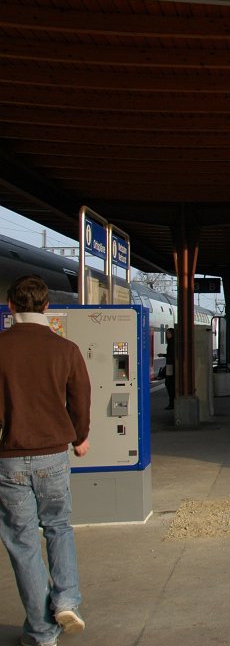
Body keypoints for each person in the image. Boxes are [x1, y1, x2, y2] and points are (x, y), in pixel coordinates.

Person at [0, 274, 91, 646]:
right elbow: (81, 400)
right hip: (54, 454)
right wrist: (80, 437)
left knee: (22, 542)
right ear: (46, 307)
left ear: (10, 306)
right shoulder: (65, 349)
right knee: (58, 527)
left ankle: (41, 632)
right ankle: (66, 599)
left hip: (9, 457)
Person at [163, 327, 175, 410]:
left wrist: (165, 356)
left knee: (169, 384)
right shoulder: (170, 343)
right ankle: (171, 402)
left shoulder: (172, 343)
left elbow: (172, 355)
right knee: (169, 384)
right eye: (167, 333)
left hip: (171, 366)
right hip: (170, 365)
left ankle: (172, 403)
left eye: (169, 333)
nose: (167, 335)